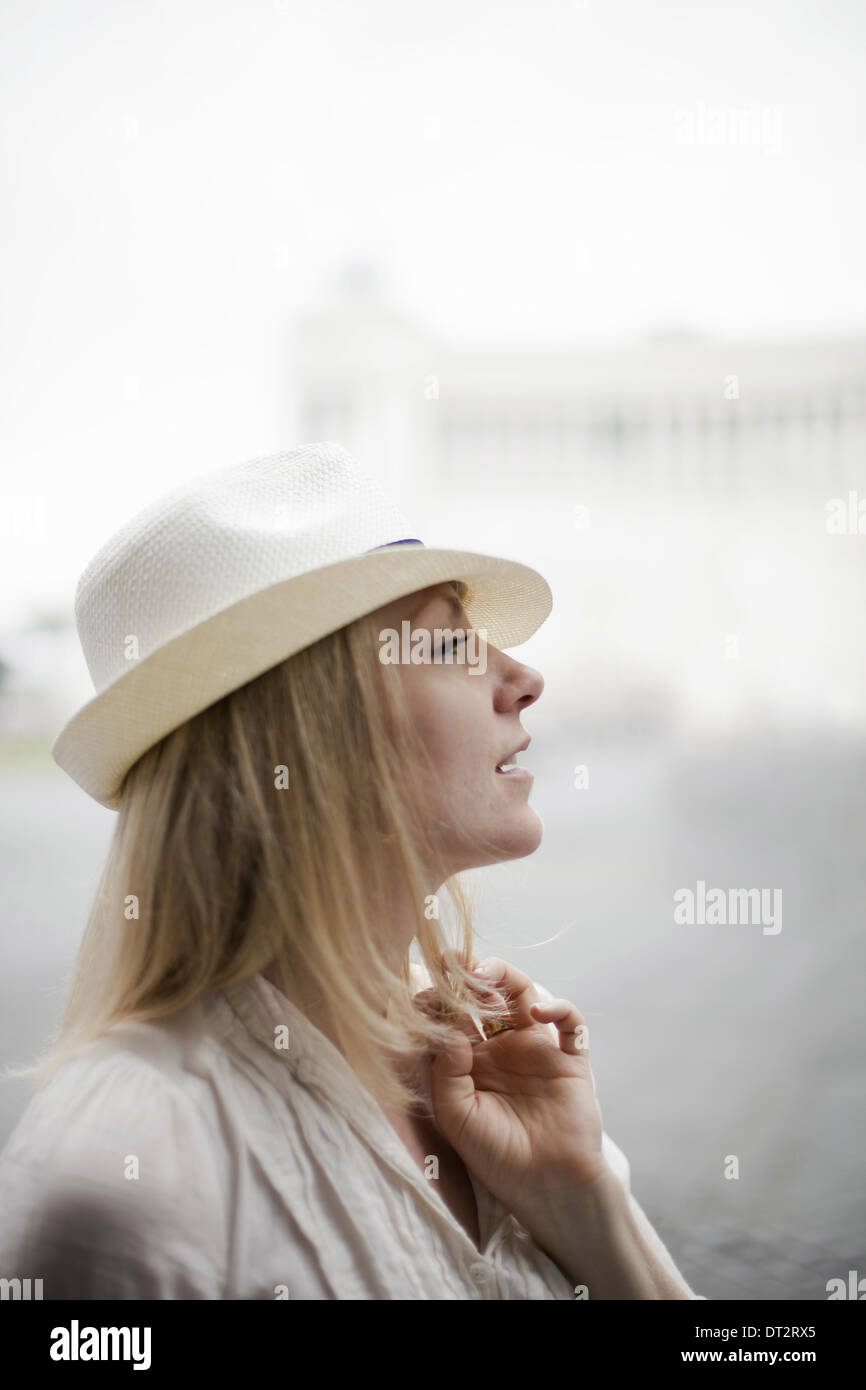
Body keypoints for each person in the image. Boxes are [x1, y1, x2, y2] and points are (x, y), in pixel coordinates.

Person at [0, 442, 704, 1299]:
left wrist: (582, 1203)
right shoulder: (126, 1176)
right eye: (449, 645)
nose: (524, 678)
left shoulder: (496, 1067)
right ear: (308, 731)